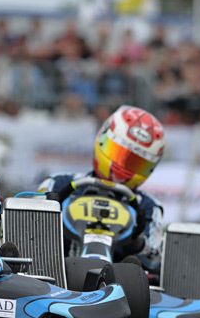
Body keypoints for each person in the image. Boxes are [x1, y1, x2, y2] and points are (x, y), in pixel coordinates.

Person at [37, 105, 165, 273]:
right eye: (119, 153)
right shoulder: (58, 185)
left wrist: (137, 241)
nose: (123, 167)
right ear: (102, 140)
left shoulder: (148, 206)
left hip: (119, 287)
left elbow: (155, 262)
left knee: (133, 268)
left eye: (135, 162)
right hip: (53, 275)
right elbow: (28, 230)